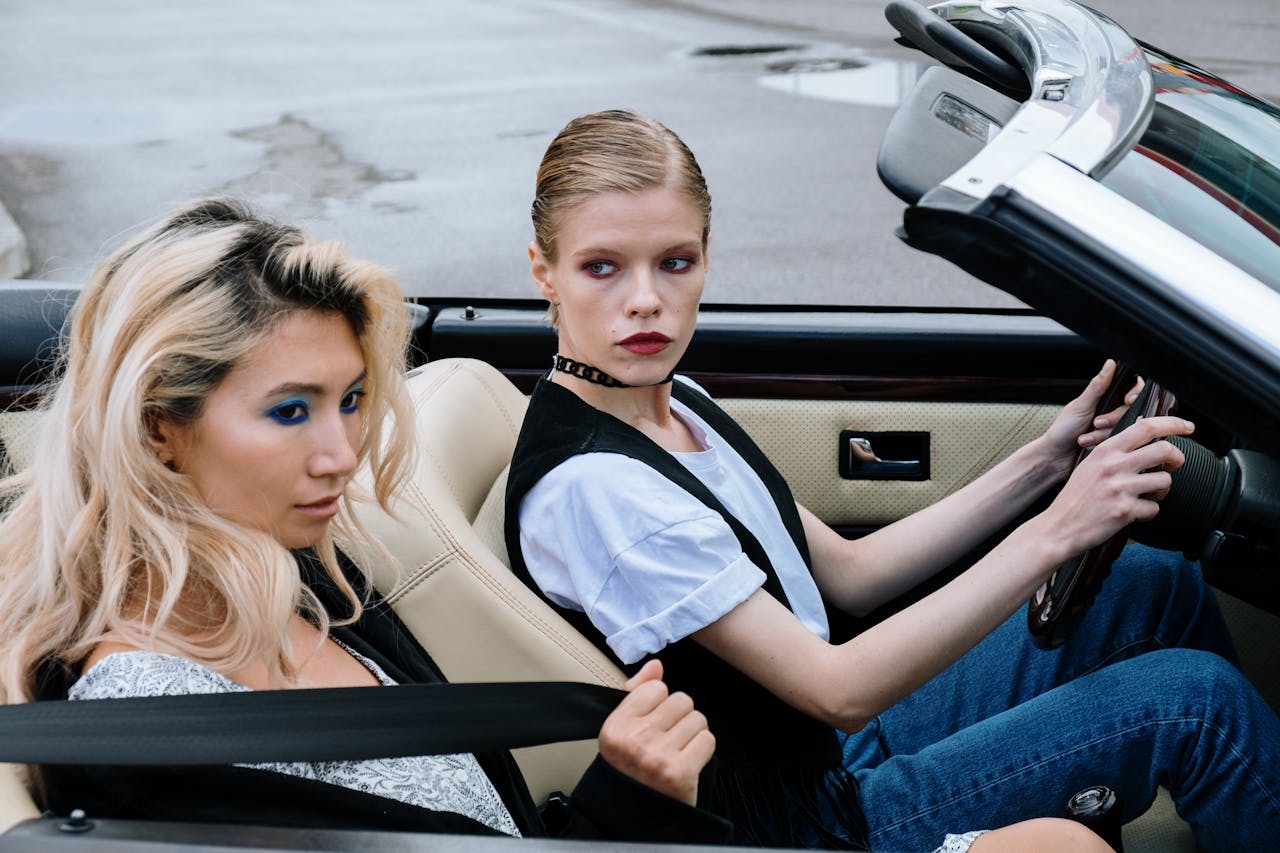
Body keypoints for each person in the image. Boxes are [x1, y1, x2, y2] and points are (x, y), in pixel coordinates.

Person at [504, 109, 1280, 852]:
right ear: (544, 271)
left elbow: (849, 574)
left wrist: (1049, 462)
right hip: (809, 824)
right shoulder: (599, 488)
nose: (647, 299)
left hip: (826, 752)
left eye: (675, 261)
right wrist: (1058, 529)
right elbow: (837, 687)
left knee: (1150, 582)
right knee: (1195, 704)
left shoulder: (676, 402)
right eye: (602, 267)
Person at [0, 197, 730, 843]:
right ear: (158, 426)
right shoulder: (150, 729)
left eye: (350, 399)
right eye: (290, 410)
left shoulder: (310, 576)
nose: (342, 453)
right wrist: (633, 807)